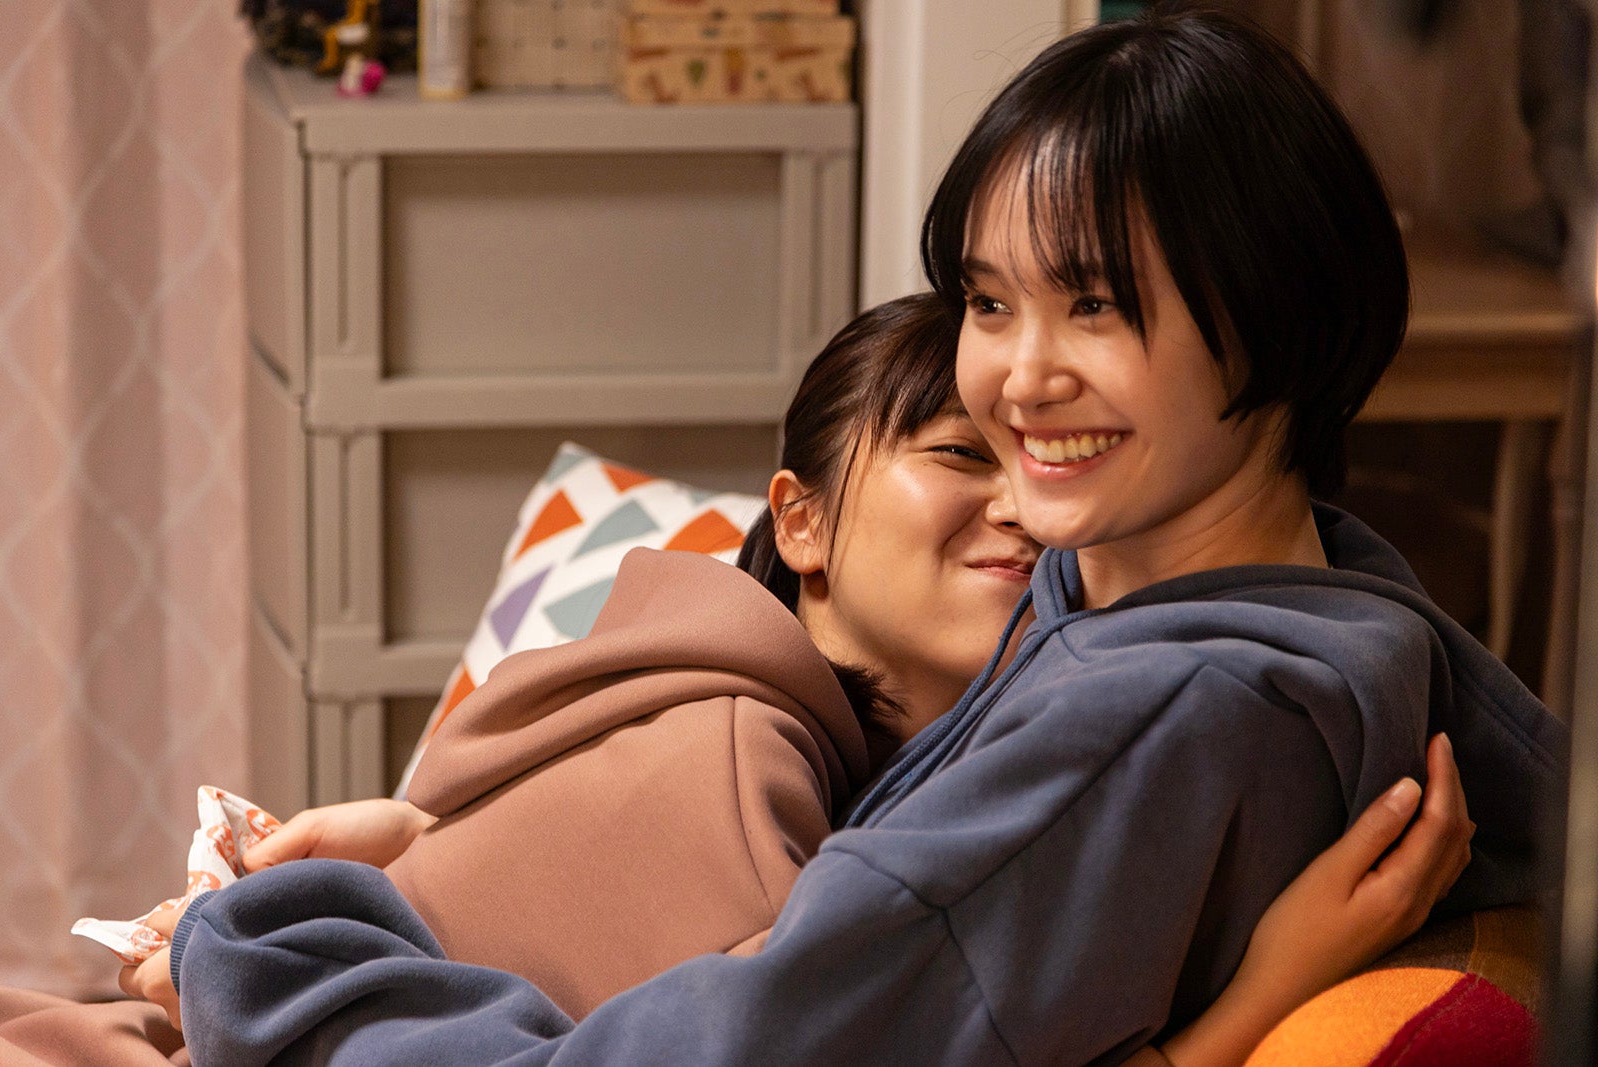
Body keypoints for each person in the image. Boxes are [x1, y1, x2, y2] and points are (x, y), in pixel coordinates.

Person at [121, 8, 1563, 1064]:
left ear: (1282, 321)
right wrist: (426, 841)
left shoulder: (1151, 719)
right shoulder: (1310, 597)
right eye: (991, 304)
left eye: (1097, 306)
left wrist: (252, 966)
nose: (1019, 381)